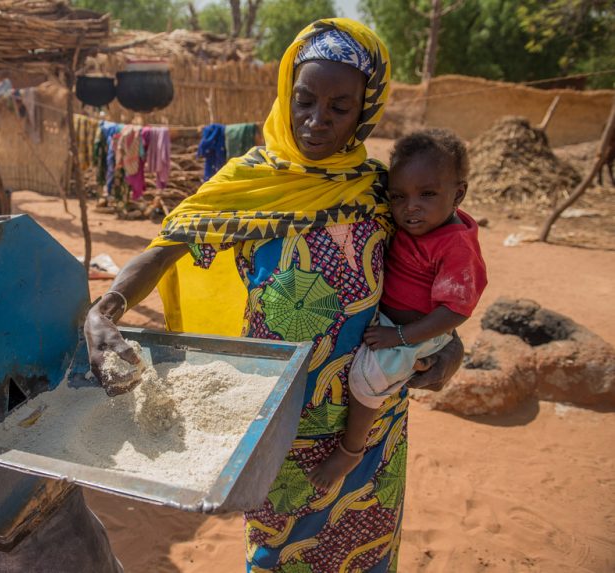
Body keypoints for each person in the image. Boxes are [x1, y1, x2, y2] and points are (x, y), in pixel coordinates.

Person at [84, 19, 464, 573]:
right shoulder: (250, 182)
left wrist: (453, 345)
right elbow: (165, 248)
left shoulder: (381, 188)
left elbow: (446, 263)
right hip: (280, 417)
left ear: (365, 109)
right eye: (304, 100)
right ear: (286, 95)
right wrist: (104, 310)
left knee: (367, 548)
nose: (317, 120)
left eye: (339, 106)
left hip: (371, 415)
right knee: (277, 553)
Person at [309, 129, 487, 489]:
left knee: (368, 380)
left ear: (459, 194)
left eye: (427, 194)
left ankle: (350, 450)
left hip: (415, 334)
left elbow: (456, 310)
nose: (410, 208)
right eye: (398, 197)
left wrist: (401, 336)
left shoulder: (454, 245)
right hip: (396, 327)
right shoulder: (416, 220)